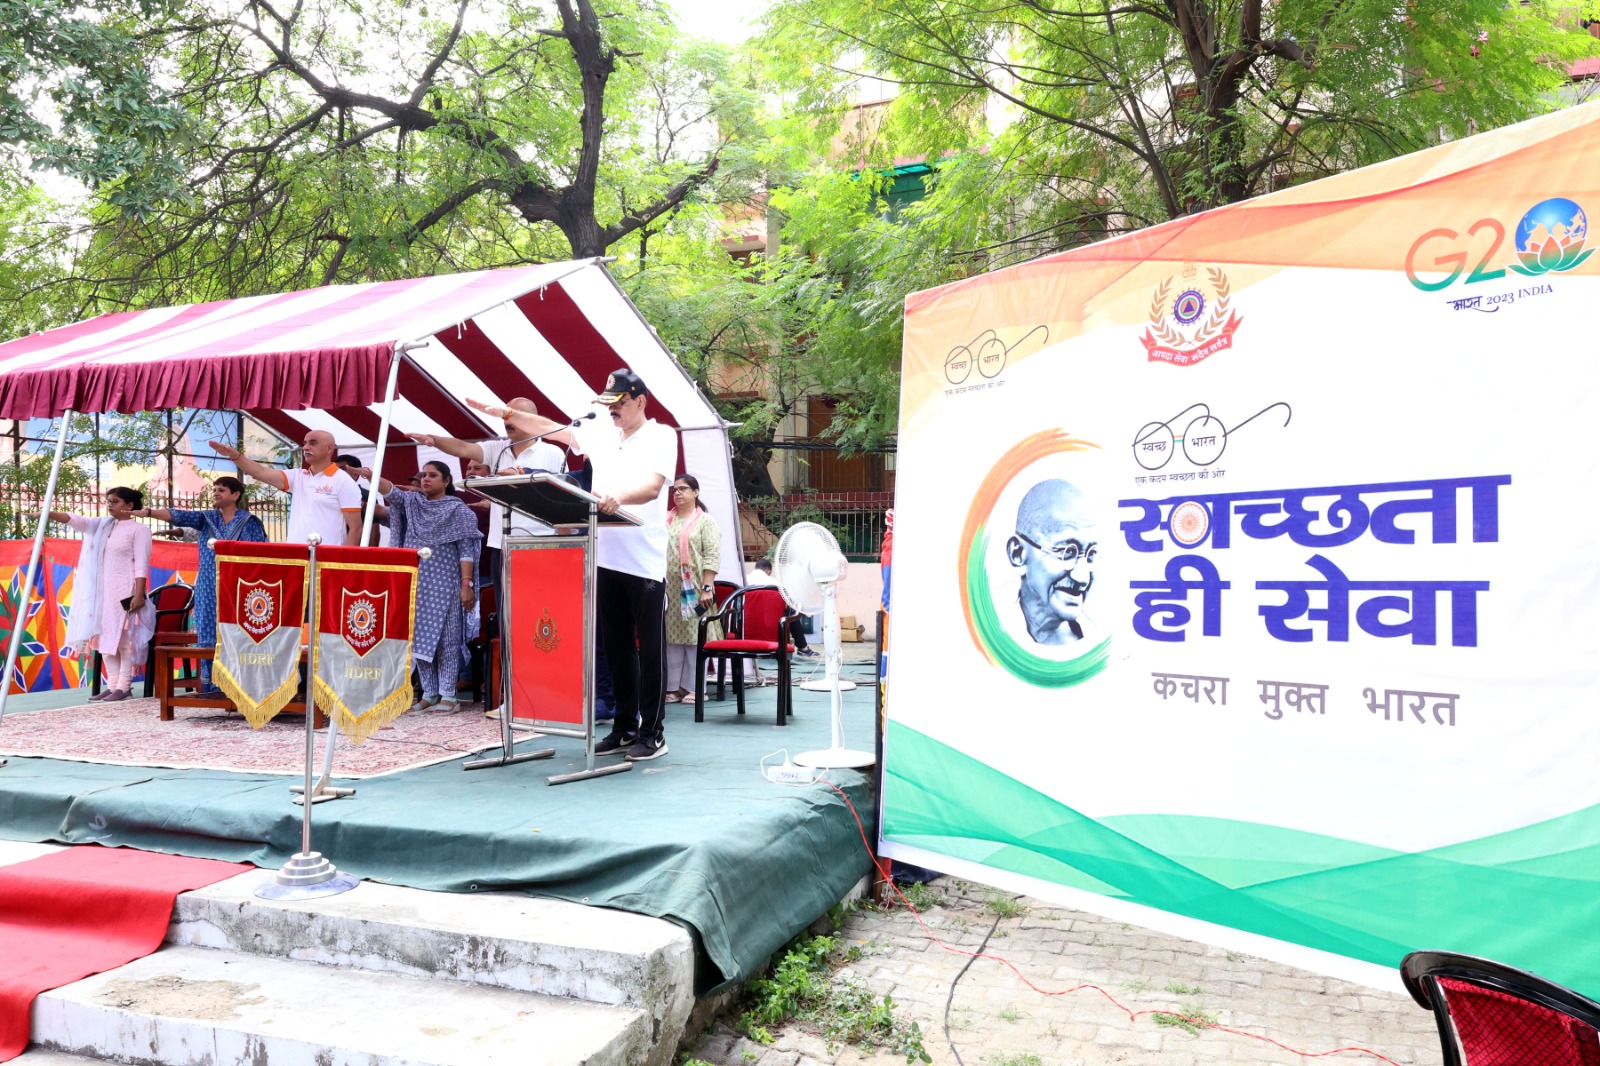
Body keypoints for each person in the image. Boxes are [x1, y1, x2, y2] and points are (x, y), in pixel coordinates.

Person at [470, 369, 677, 761]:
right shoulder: (601, 432)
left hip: (644, 560)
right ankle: (624, 728)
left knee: (650, 650)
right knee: (616, 650)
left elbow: (653, 487)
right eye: (609, 404)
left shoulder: (661, 435)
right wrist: (506, 413)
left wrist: (618, 497)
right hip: (604, 555)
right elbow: (551, 427)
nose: (613, 411)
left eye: (620, 404)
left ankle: (653, 733)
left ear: (640, 402)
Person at [133, 477, 269, 695]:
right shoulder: (207, 518)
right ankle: (211, 685)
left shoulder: (249, 522)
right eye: (214, 489)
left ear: (235, 495)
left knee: (237, 632)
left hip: (238, 587)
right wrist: (148, 512)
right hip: (207, 587)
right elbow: (178, 515)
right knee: (207, 632)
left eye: (221, 490)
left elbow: (259, 555)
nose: (216, 493)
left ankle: (239, 684)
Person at [365, 461, 482, 712]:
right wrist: (370, 475)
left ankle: (449, 694)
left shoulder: (458, 511)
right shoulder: (412, 504)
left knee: (447, 639)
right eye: (424, 475)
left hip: (448, 584)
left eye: (433, 475)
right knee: (419, 638)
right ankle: (429, 693)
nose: (426, 479)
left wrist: (466, 584)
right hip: (416, 583)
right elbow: (391, 492)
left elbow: (466, 552)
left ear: (447, 481)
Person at [51, 488, 157, 702]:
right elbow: (76, 521)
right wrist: (48, 513)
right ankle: (113, 685)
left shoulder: (139, 530)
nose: (109, 505)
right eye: (108, 501)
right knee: (102, 638)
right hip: (101, 592)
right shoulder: (103, 525)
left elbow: (141, 564)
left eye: (115, 501)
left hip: (125, 590)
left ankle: (124, 686)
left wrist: (138, 594)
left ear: (129, 505)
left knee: (124, 640)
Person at [209, 430, 361, 546]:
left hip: (327, 559)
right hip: (295, 558)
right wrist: (235, 456)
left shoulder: (343, 481)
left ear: (329, 448)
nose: (305, 447)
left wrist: (345, 564)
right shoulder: (298, 476)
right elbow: (261, 472)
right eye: (305, 443)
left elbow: (355, 528)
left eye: (313, 443)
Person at [1005, 479, 1098, 646]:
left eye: (1091, 554)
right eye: (1067, 552)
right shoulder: (991, 628)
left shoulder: (1098, 640)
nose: (1082, 578)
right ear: (1017, 554)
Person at [663, 475, 721, 704]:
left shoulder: (705, 521)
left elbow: (712, 554)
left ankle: (696, 688)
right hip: (669, 589)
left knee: (695, 637)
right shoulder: (667, 520)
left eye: (683, 489)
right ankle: (674, 687)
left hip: (695, 588)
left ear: (696, 492)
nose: (677, 493)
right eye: (674, 490)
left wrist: (707, 588)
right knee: (672, 639)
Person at [746, 558, 816, 658]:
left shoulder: (743, 580)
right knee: (791, 611)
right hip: (771, 626)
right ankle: (803, 647)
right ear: (769, 572)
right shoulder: (776, 584)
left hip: (746, 625)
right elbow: (788, 603)